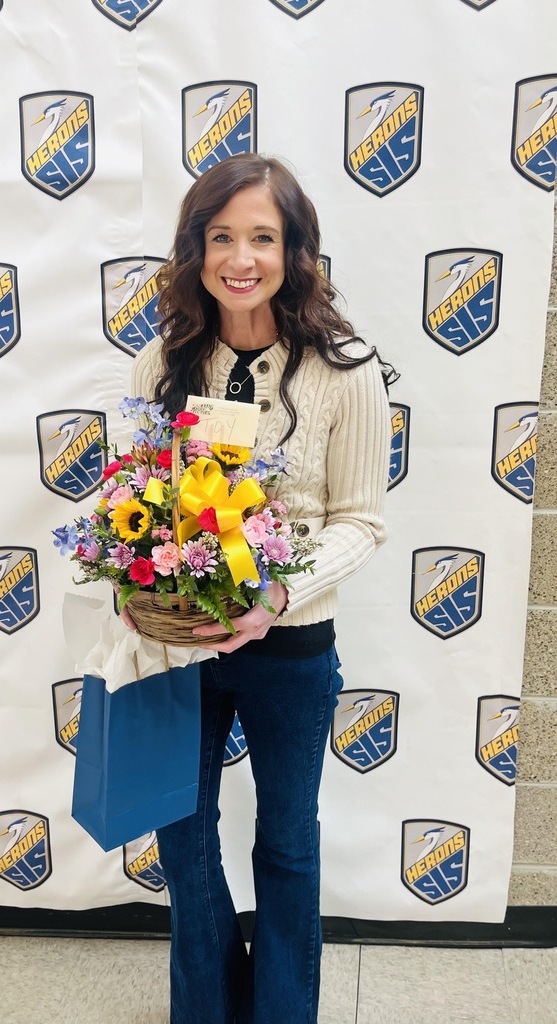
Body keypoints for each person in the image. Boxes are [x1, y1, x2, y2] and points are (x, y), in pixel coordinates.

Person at [127, 153, 395, 1024]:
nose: (241, 258)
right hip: (180, 648)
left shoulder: (345, 370)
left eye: (263, 237)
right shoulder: (162, 364)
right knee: (184, 845)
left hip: (292, 653)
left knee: (285, 843)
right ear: (195, 251)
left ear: (295, 251)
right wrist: (135, 580)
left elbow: (362, 518)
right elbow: (141, 504)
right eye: (221, 237)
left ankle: (284, 1012)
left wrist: (277, 594)